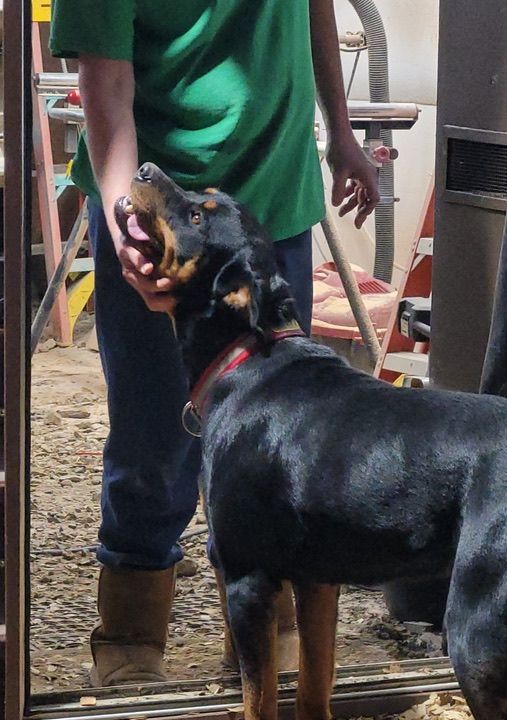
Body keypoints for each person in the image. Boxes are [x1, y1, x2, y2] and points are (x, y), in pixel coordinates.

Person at [49, 1, 380, 684]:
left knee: (278, 430)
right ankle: (132, 632)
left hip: (276, 188)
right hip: (161, 201)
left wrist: (342, 132)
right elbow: (105, 80)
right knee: (154, 431)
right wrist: (126, 219)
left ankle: (268, 625)